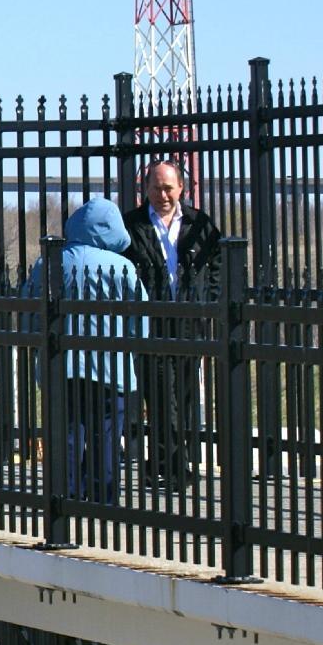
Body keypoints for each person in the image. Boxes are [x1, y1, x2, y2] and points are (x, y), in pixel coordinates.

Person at [24, 198, 147, 507]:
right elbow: (139, 322)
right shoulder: (123, 268)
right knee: (105, 437)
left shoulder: (49, 263)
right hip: (111, 369)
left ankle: (65, 499)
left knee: (67, 435)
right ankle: (102, 501)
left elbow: (28, 314)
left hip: (60, 368)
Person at [122, 160, 224, 487]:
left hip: (188, 322)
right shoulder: (132, 224)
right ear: (145, 189)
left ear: (182, 188)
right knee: (162, 394)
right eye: (156, 187)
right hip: (150, 321)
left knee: (186, 394)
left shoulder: (200, 224)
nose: (162, 195)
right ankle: (173, 465)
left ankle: (166, 462)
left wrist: (205, 302)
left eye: (168, 188)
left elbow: (218, 266)